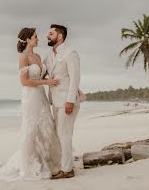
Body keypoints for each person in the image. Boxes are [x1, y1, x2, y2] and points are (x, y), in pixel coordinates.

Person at [0, 27, 61, 181]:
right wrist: (46, 81)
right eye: (35, 36)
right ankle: (30, 164)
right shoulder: (23, 57)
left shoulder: (37, 55)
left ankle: (48, 161)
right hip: (30, 97)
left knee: (46, 125)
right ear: (28, 39)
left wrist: (51, 76)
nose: (38, 39)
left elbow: (42, 74)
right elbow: (25, 82)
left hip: (40, 96)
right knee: (32, 128)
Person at [43, 24, 83, 180]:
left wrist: (70, 101)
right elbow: (42, 72)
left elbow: (75, 78)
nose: (47, 36)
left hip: (67, 101)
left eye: (51, 33)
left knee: (64, 135)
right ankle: (63, 165)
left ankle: (67, 170)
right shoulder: (49, 55)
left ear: (59, 36)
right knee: (60, 135)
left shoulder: (70, 53)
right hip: (55, 101)